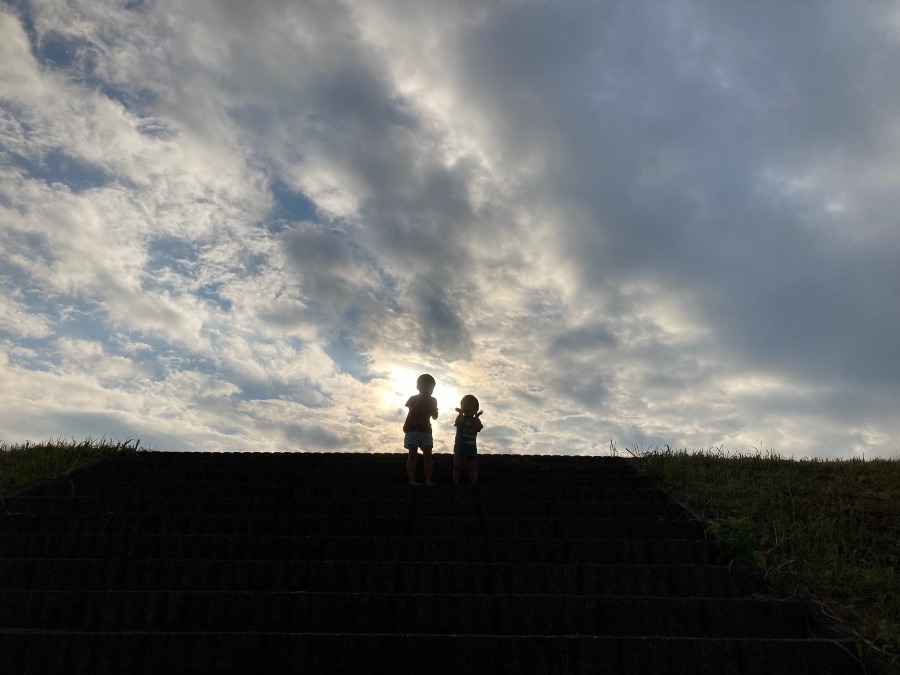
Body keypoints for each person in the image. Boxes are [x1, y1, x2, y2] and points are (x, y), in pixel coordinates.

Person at [403, 373, 439, 485]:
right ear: (418, 387)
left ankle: (428, 480)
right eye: (426, 386)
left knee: (428, 456)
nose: (429, 390)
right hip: (412, 429)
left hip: (426, 431)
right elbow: (412, 412)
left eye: (431, 387)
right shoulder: (413, 399)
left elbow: (435, 416)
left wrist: (434, 408)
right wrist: (421, 399)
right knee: (412, 455)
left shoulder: (433, 400)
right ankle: (411, 480)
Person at [453, 394, 483, 486]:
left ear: (475, 409)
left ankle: (474, 483)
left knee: (472, 467)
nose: (467, 406)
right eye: (464, 404)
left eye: (470, 404)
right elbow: (459, 423)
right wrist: (461, 413)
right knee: (457, 466)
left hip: (471, 447)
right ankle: (455, 483)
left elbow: (478, 428)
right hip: (460, 445)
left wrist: (477, 417)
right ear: (461, 407)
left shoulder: (475, 420)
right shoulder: (460, 417)